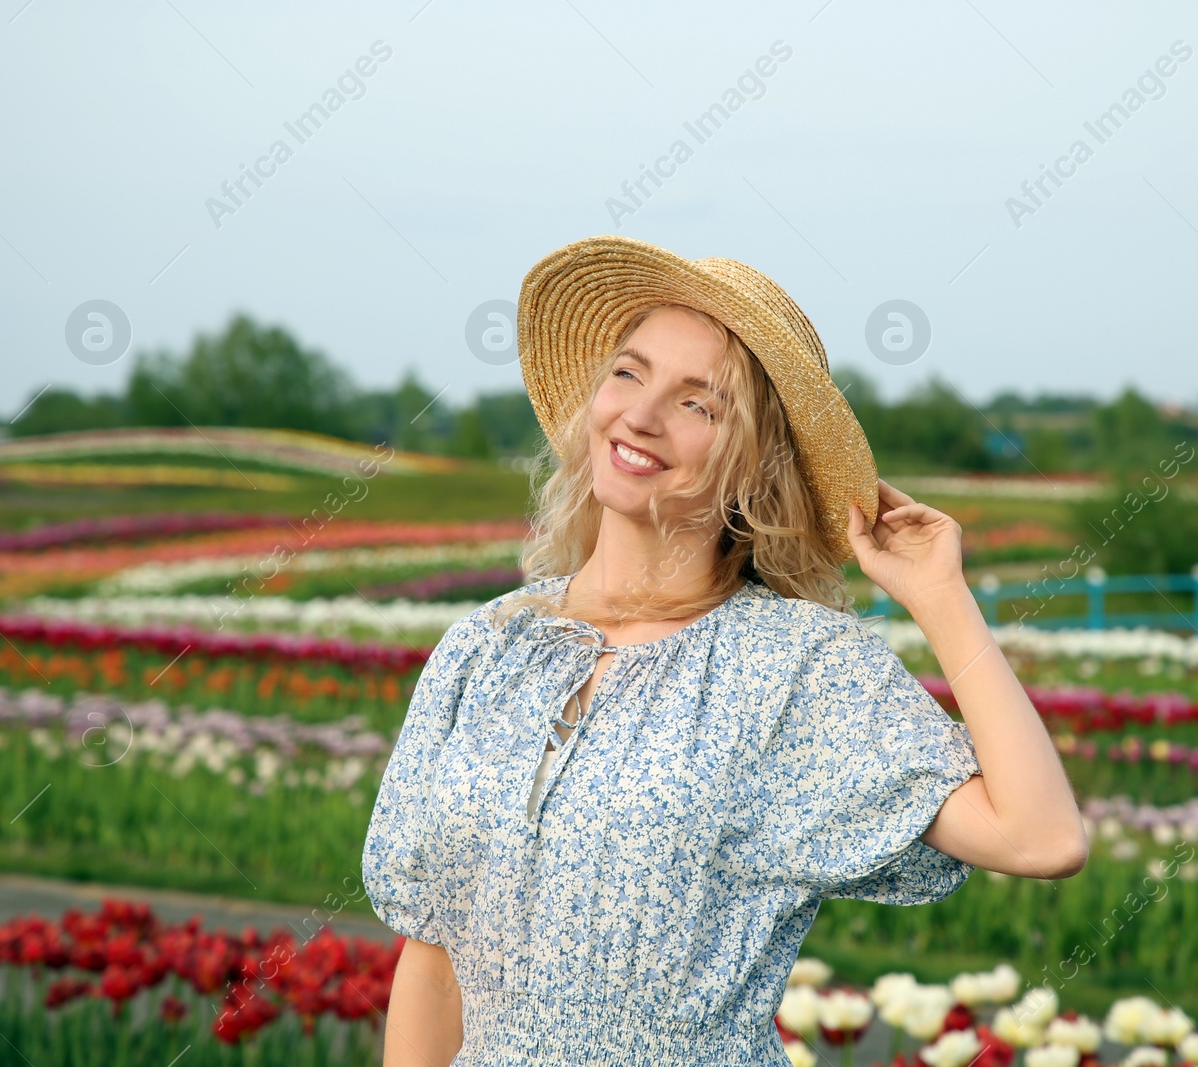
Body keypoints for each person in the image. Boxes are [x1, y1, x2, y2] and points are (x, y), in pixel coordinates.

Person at [362, 235, 1088, 1066]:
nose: (640, 414)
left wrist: (939, 597)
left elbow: (1040, 837)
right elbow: (435, 961)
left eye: (697, 403)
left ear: (752, 466)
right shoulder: (486, 648)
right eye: (629, 372)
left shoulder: (794, 664)